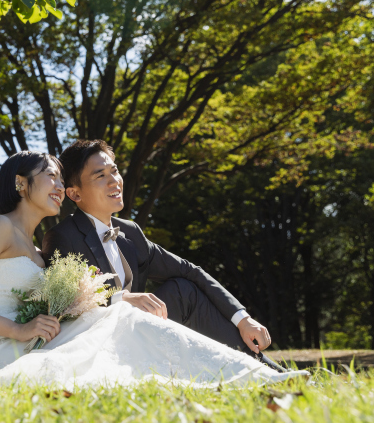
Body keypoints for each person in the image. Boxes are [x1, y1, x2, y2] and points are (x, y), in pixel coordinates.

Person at [0, 151, 307, 386]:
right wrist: (19, 330)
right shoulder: (0, 227)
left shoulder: (35, 250)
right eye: (51, 176)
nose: (60, 186)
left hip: (30, 340)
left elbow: (66, 306)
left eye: (61, 179)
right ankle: (247, 377)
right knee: (119, 317)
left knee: (146, 306)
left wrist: (243, 317)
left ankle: (256, 372)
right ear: (21, 183)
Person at [42, 140, 284, 371]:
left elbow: (189, 270)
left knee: (183, 290)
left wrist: (242, 319)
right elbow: (66, 307)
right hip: (101, 345)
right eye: (100, 176)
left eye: (114, 171)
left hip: (140, 331)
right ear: (75, 194)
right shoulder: (62, 237)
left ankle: (266, 368)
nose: (114, 181)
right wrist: (122, 299)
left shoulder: (130, 232)